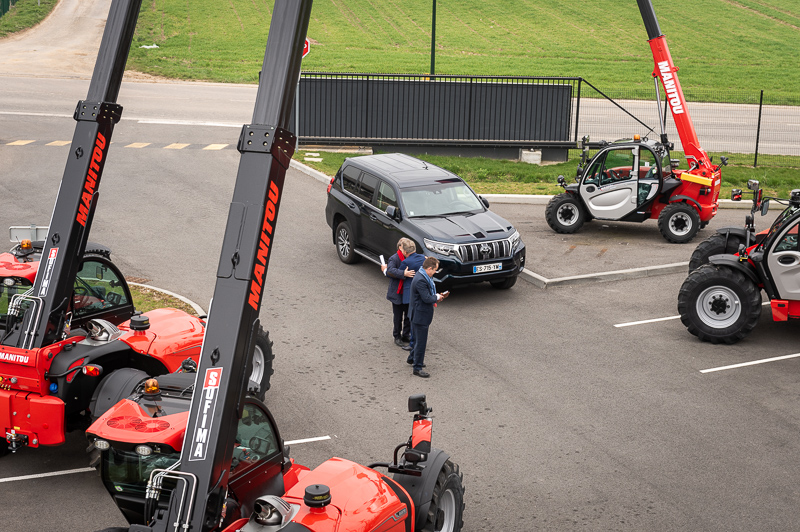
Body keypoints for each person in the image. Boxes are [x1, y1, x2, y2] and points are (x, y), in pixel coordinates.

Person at [407, 257, 447, 378]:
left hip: (417, 314)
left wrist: (436, 296)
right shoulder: (421, 280)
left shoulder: (422, 275)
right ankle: (417, 367)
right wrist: (437, 297)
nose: (435, 272)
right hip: (420, 315)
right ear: (429, 268)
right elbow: (427, 298)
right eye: (435, 269)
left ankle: (411, 358)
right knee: (421, 342)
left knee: (417, 339)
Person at [381, 238, 416, 348]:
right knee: (398, 317)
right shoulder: (394, 258)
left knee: (408, 316)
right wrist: (403, 273)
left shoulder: (410, 258)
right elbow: (390, 271)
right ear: (402, 249)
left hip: (407, 292)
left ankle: (406, 334)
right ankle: (397, 336)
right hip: (397, 293)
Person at [398, 241, 426, 353]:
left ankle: (413, 343)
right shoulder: (423, 258)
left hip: (411, 294)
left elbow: (399, 273)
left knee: (412, 319)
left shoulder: (406, 262)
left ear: (405, 251)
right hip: (421, 294)